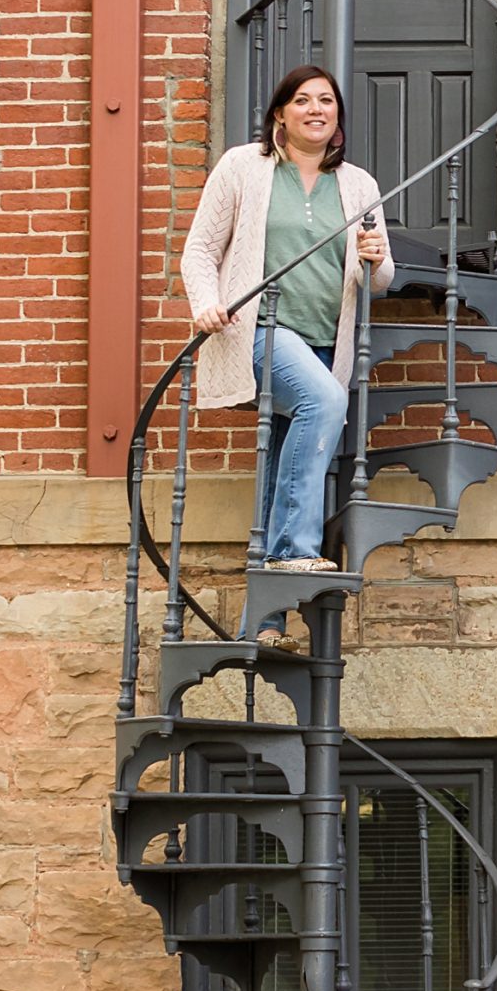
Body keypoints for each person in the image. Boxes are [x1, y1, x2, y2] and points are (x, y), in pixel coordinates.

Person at [181, 65, 393, 645]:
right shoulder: (242, 167)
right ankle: (294, 552)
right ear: (280, 112)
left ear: (337, 118)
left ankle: (263, 621)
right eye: (302, 100)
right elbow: (200, 249)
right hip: (261, 330)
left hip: (327, 339)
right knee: (325, 402)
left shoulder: (359, 185)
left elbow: (378, 281)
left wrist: (377, 258)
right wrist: (205, 302)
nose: (316, 109)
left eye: (326, 101)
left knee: (278, 464)